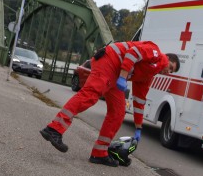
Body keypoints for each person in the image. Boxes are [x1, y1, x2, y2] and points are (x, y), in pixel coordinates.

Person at [40, 41, 180, 167]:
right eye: (171, 67)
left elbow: (139, 101)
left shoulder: (148, 75)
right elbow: (133, 53)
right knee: (90, 95)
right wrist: (123, 77)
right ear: (167, 58)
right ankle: (54, 129)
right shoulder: (156, 53)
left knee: (118, 112)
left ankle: (99, 153)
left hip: (117, 73)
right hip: (110, 61)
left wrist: (138, 127)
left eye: (171, 71)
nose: (168, 71)